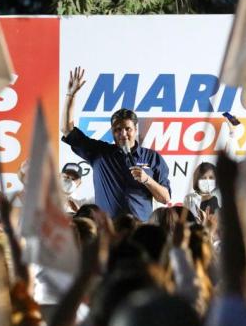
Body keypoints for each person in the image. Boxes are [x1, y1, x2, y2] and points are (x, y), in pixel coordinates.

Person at [60, 67, 171, 221]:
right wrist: (71, 95)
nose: (123, 134)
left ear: (135, 129)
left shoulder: (152, 158)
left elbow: (165, 198)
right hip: (108, 230)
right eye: (117, 129)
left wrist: (147, 180)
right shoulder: (100, 152)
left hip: (140, 231)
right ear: (112, 131)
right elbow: (67, 129)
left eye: (127, 129)